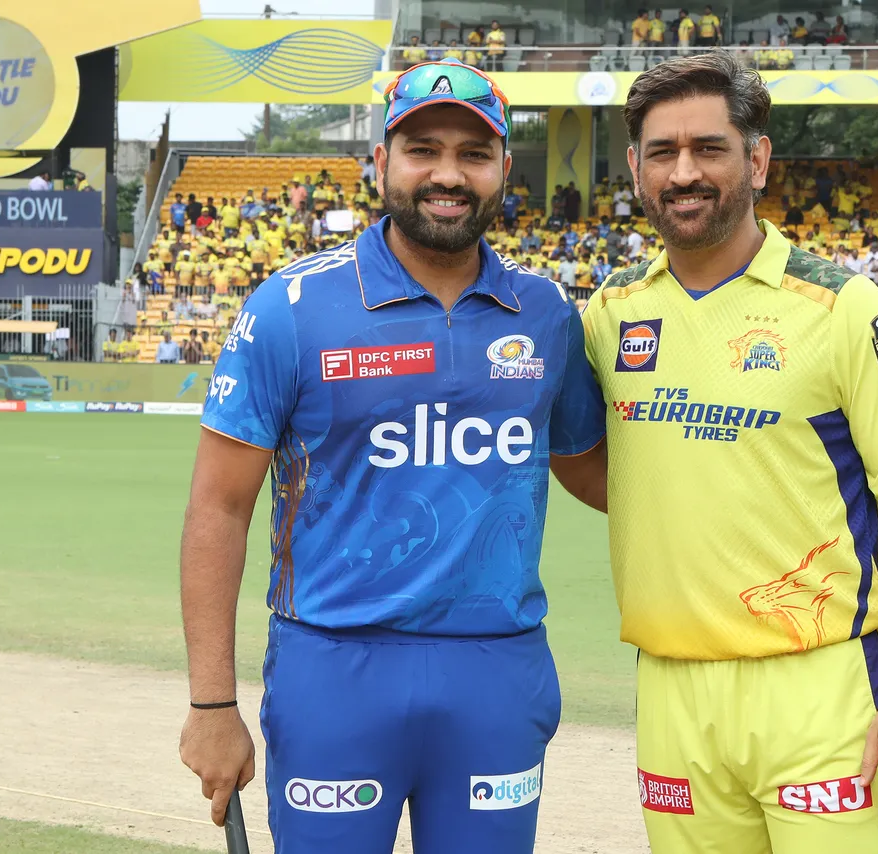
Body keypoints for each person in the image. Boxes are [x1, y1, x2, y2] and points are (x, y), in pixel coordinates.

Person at [177, 57, 605, 854]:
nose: (448, 174)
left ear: (504, 169)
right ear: (381, 163)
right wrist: (211, 705)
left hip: (497, 672)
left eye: (473, 154)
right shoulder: (291, 306)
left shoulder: (546, 313)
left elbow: (589, 466)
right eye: (422, 150)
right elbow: (219, 507)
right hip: (334, 667)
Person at [564, 51, 878, 853]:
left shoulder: (845, 308)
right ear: (635, 169)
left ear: (758, 159)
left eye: (709, 148)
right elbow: (587, 455)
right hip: (671, 689)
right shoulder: (610, 312)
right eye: (663, 152)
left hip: (820, 686)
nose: (684, 172)